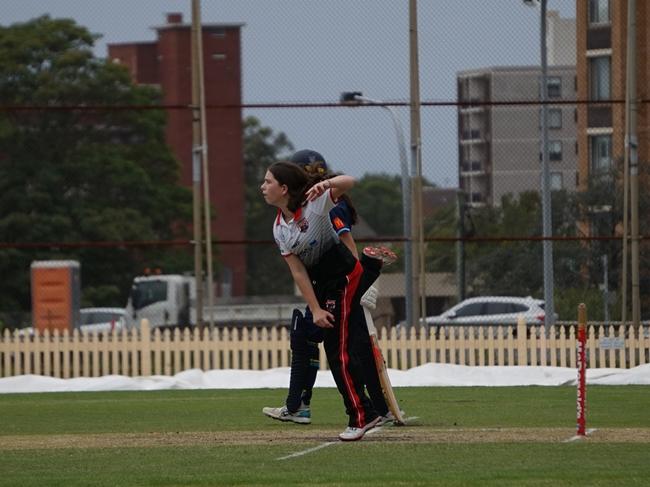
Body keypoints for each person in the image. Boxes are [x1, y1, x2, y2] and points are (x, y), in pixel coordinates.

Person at [262, 150, 396, 428]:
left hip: (343, 281)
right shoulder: (280, 226)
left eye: (269, 181)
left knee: (348, 347)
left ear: (287, 184)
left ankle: (373, 411)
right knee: (309, 334)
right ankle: (300, 404)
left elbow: (345, 239)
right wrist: (315, 306)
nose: (263, 187)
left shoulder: (321, 202)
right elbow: (298, 270)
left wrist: (360, 281)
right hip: (323, 285)